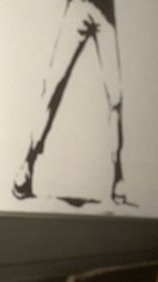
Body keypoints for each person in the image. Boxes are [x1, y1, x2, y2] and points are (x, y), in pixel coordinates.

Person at [13, 0, 128, 207]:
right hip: (79, 6)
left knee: (115, 96)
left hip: (105, 12)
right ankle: (27, 164)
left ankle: (118, 174)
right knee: (52, 87)